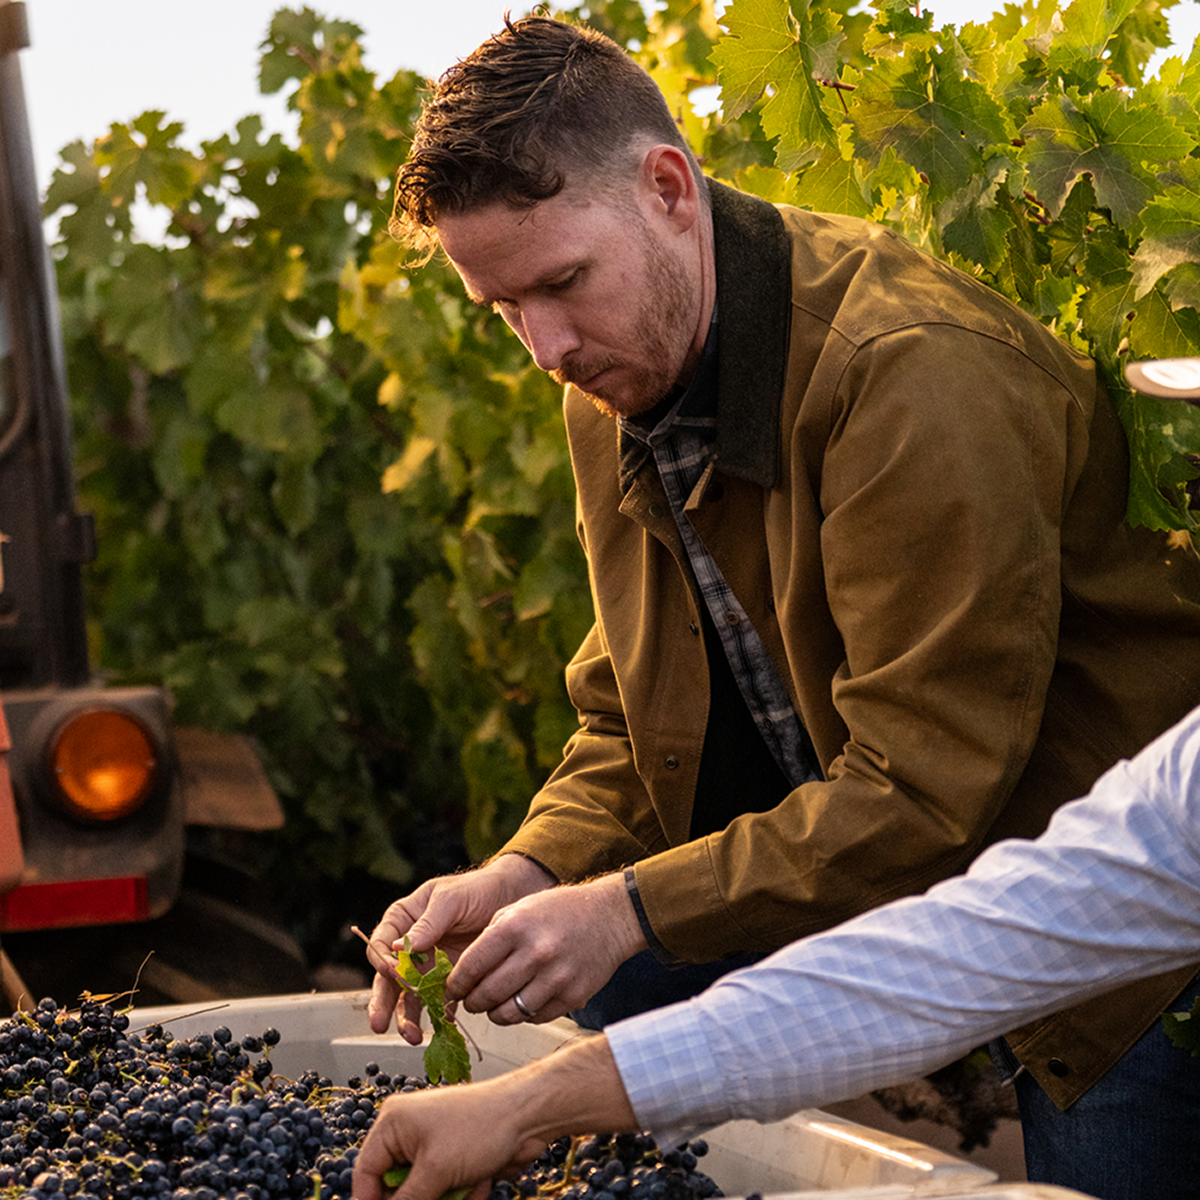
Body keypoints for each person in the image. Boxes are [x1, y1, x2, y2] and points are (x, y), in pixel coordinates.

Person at [364, 15, 1200, 1193]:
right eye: (503, 309)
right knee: (592, 975)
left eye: (560, 284)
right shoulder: (611, 385)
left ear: (668, 190)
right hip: (884, 877)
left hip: (1107, 930)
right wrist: (533, 872)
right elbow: (632, 720)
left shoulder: (906, 374)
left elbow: (921, 788)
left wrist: (632, 909)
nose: (544, 347)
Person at [353, 694, 1200, 1200]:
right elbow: (929, 970)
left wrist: (625, 916)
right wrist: (522, 1104)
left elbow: (916, 788)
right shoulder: (1184, 789)